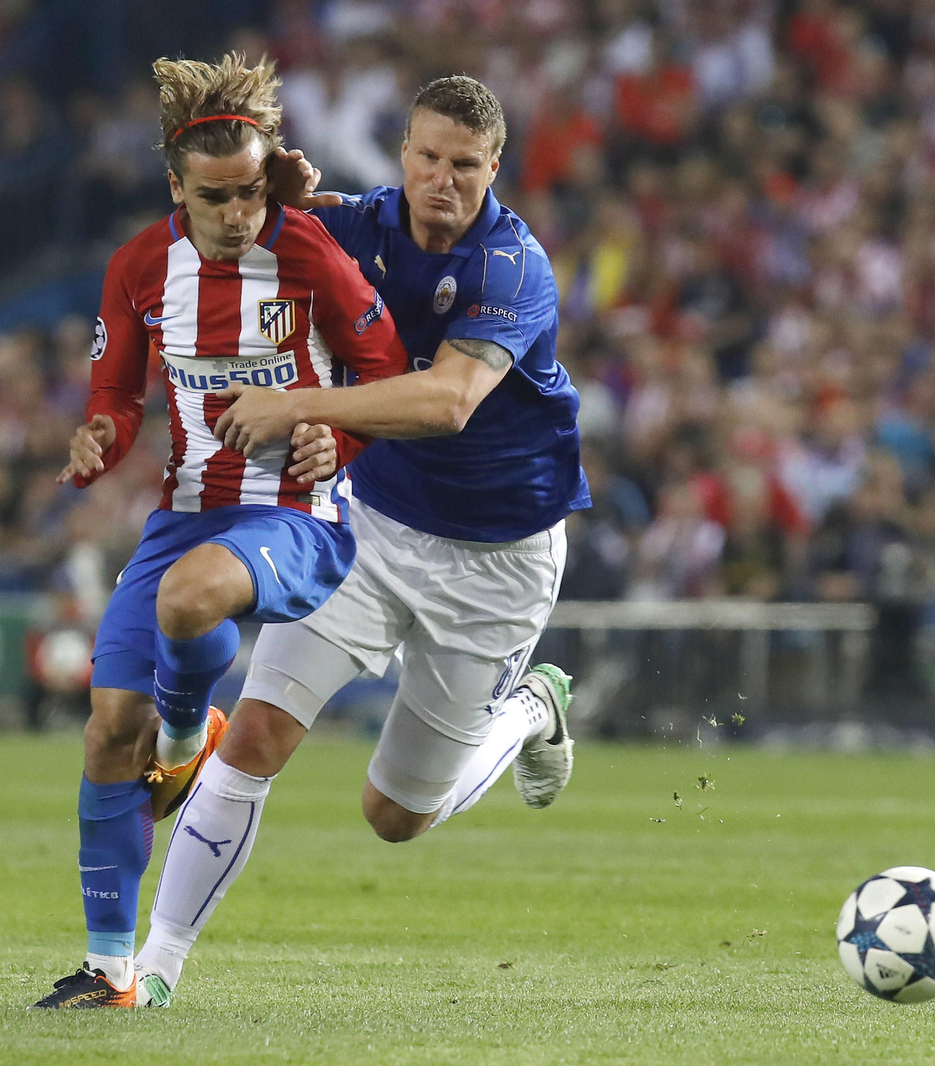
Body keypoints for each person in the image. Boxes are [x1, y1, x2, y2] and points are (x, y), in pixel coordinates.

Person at [130, 76, 589, 1005]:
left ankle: (532, 709)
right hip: (369, 524)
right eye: (426, 157)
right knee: (254, 732)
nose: (442, 179)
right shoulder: (356, 225)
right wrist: (266, 191)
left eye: (465, 165)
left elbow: (448, 401)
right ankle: (155, 969)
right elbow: (225, 226)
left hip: (497, 562)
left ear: (494, 168)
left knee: (396, 817)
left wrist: (300, 403)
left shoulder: (513, 266)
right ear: (404, 152)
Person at [31, 52, 408, 1010]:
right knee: (107, 732)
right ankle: (110, 969)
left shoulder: (311, 254)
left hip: (294, 519)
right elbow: (116, 401)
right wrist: (97, 438)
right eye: (215, 198)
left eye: (249, 193)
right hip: (183, 516)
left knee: (190, 602)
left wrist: (338, 430)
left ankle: (189, 731)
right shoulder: (139, 269)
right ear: (175, 187)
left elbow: (389, 374)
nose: (238, 214)